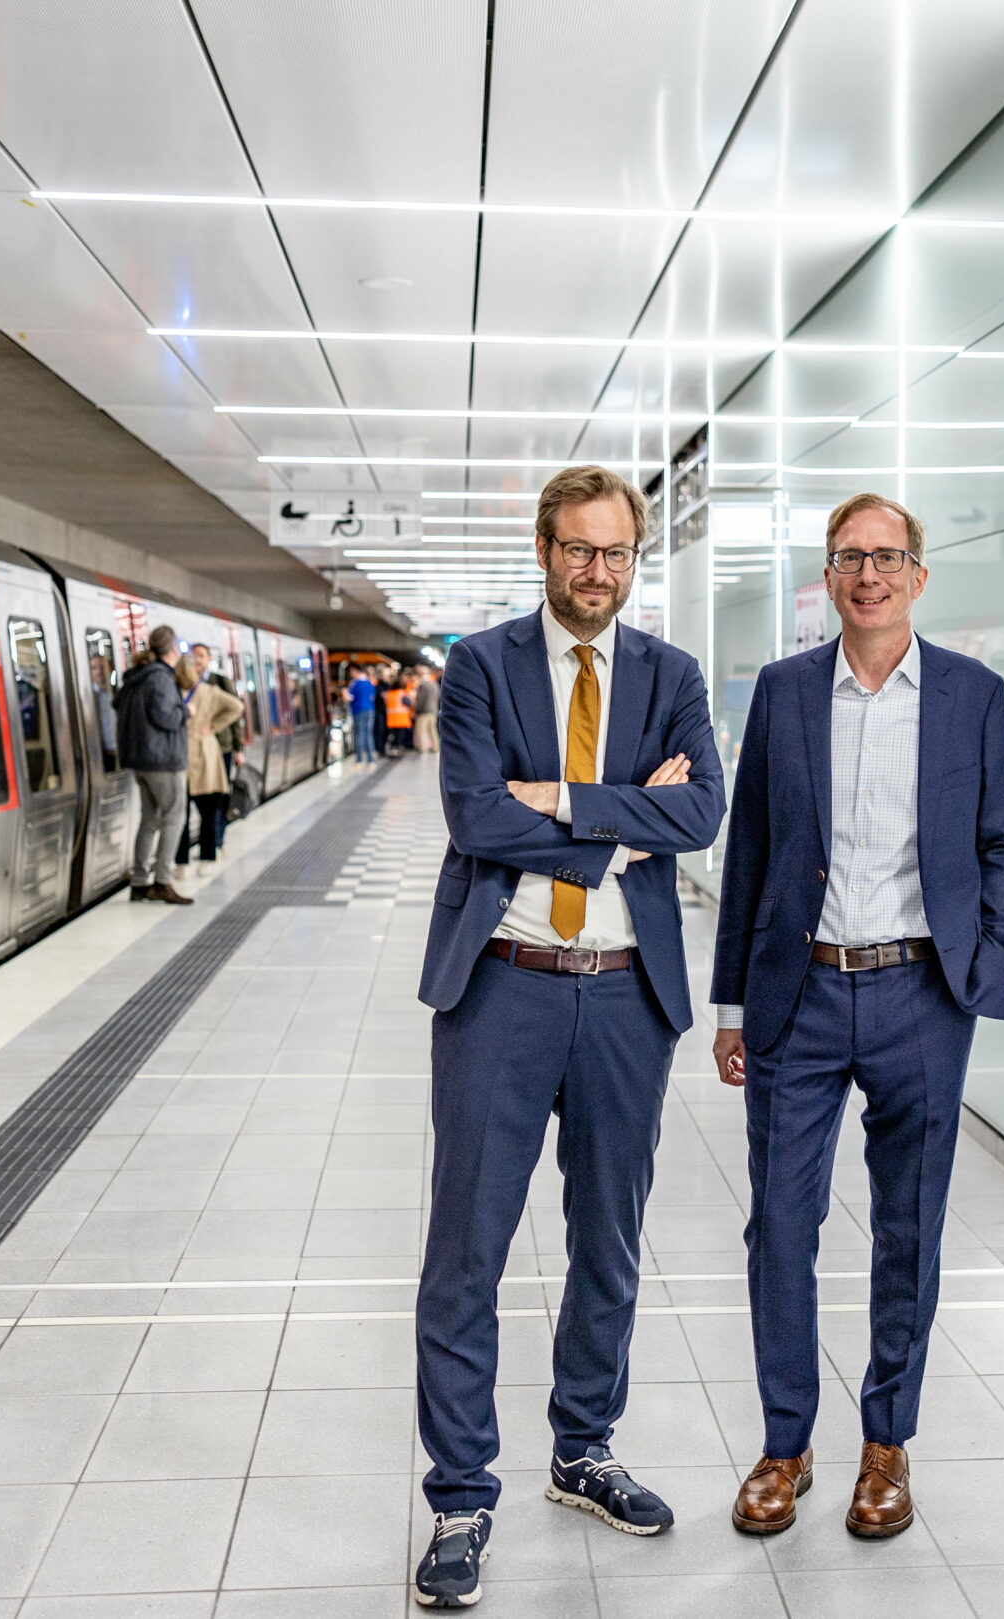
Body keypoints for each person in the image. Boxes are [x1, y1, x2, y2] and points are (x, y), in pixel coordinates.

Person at [410, 465, 725, 1609]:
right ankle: (458, 1497)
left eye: (617, 554)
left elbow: (701, 813)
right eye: (579, 550)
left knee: (609, 1241)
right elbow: (471, 814)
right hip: (503, 987)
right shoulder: (483, 664)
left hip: (627, 999)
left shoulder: (670, 675)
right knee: (467, 1254)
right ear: (543, 549)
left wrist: (557, 799)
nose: (598, 573)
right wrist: (618, 821)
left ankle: (582, 1450)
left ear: (634, 561)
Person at [711, 492, 1004, 1541]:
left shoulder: (970, 695)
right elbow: (749, 849)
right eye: (851, 557)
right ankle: (784, 1447)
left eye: (888, 558)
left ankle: (886, 1446)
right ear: (829, 577)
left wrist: (984, 961)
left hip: (920, 997)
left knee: (908, 1231)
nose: (869, 576)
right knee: (779, 1229)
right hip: (795, 995)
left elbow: (1002, 842)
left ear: (919, 576)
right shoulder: (785, 691)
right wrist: (730, 1002)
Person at [114, 625, 194, 904]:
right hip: (163, 760)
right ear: (173, 649)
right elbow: (165, 717)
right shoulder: (160, 678)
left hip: (141, 761)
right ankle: (162, 881)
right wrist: (186, 711)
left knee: (149, 819)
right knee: (174, 817)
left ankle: (139, 883)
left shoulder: (137, 677)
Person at [175, 656, 244, 878]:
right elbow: (237, 706)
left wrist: (213, 725)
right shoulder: (208, 691)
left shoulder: (175, 693)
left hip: (181, 755)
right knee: (208, 811)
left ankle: (181, 863)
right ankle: (207, 857)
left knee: (181, 814)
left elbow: (236, 707)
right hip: (205, 756)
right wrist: (213, 727)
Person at [347, 667, 378, 762]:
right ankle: (370, 759)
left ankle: (359, 759)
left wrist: (344, 693)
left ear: (355, 671)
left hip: (358, 710)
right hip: (370, 710)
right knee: (368, 734)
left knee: (360, 734)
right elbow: (372, 697)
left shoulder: (355, 683)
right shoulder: (370, 683)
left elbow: (349, 697)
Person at [385, 672, 415, 753]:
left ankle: (392, 748)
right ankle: (397, 748)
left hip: (391, 720)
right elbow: (408, 703)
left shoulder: (389, 693)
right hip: (401, 719)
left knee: (393, 736)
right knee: (399, 736)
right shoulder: (402, 693)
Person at [416, 665, 441, 754]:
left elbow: (421, 700)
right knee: (433, 730)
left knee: (422, 731)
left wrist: (417, 710)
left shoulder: (423, 685)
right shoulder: (434, 684)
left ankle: (423, 749)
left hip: (424, 711)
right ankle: (436, 747)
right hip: (434, 710)